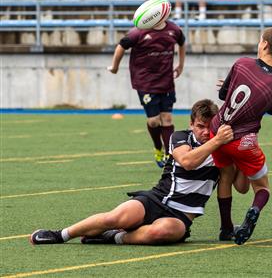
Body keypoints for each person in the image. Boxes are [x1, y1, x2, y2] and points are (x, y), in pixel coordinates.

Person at [30, 99, 234, 246]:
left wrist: (244, 153)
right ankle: (61, 234)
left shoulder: (223, 150)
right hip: (156, 199)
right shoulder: (180, 136)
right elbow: (188, 161)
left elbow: (240, 186)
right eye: (200, 126)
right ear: (191, 124)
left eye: (210, 127)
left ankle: (112, 237)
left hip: (181, 215)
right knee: (116, 218)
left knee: (160, 233)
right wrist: (217, 140)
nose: (205, 132)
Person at [211, 27, 272, 245]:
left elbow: (222, 95)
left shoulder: (242, 63)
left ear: (264, 44)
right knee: (262, 187)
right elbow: (271, 110)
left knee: (225, 176)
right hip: (243, 140)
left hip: (217, 131)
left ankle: (226, 228)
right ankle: (254, 210)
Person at [107, 13, 186, 168]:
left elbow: (182, 43)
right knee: (154, 121)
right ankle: (158, 148)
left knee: (168, 119)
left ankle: (170, 155)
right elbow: (121, 46)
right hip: (145, 82)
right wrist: (115, 67)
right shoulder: (138, 32)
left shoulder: (174, 29)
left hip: (166, 81)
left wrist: (181, 64)